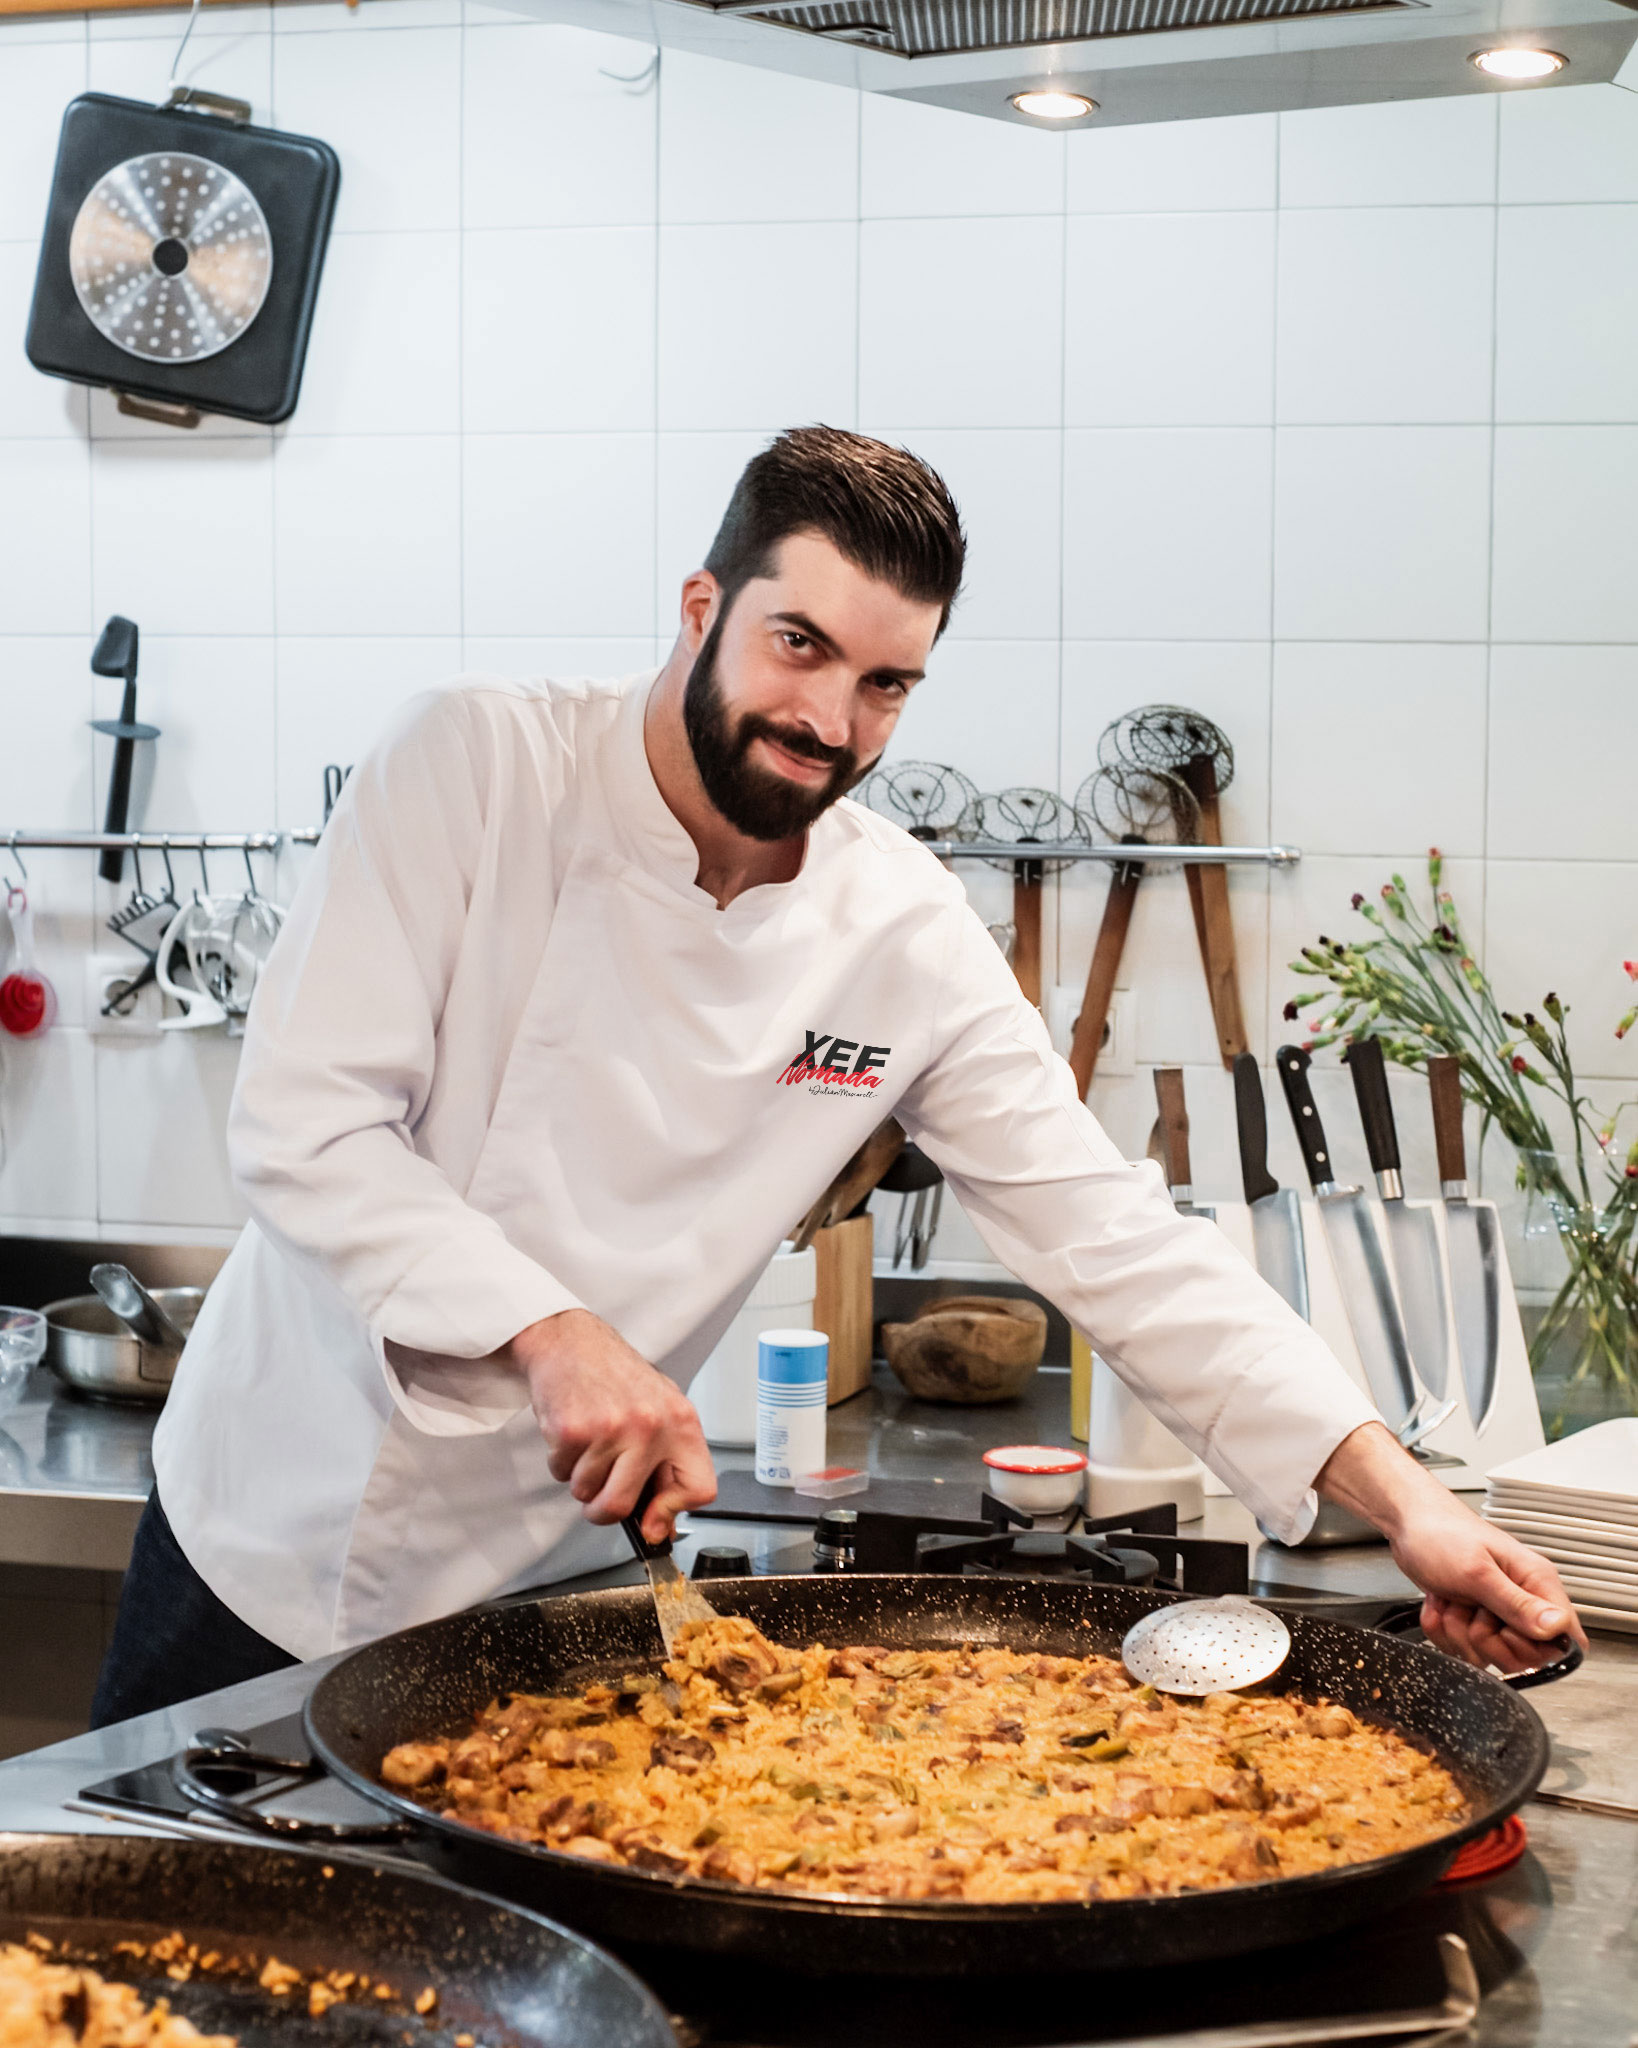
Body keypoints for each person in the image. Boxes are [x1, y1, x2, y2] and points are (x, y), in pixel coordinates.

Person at [92, 427, 1581, 1725]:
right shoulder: (476, 767)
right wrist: (555, 1332)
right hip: (277, 1541)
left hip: (561, 1569)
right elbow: (309, 1129)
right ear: (700, 608)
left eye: (885, 684)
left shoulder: (900, 924)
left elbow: (1112, 1238)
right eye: (795, 646)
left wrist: (1407, 1504)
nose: (827, 722)